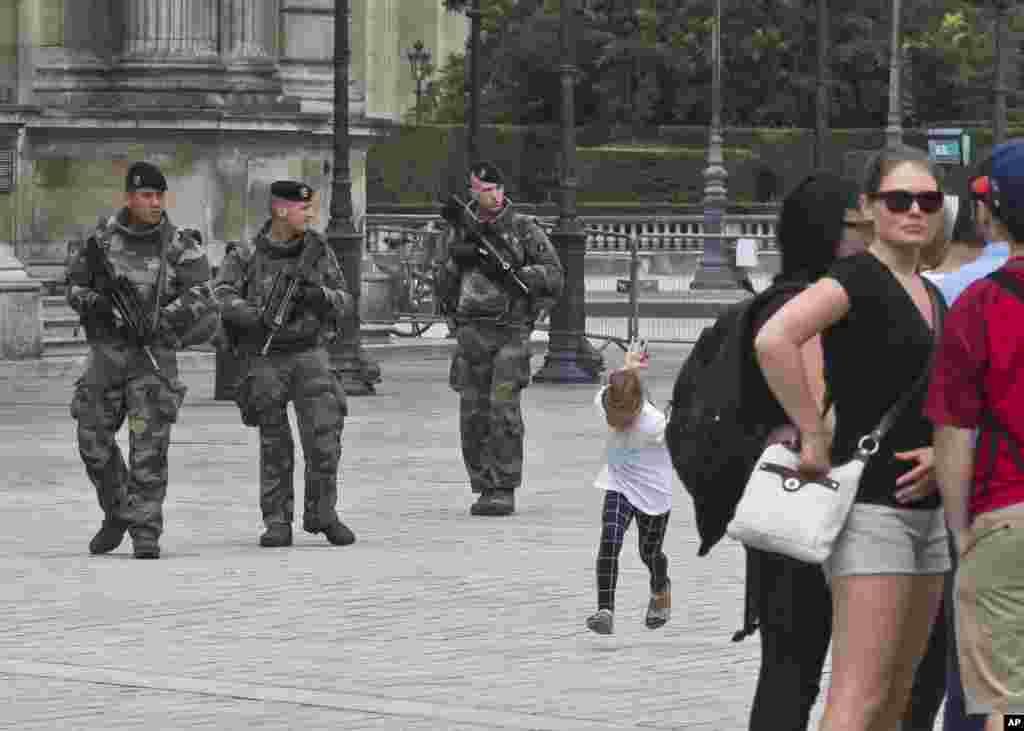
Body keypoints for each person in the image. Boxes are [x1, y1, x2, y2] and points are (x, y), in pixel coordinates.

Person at [754, 146, 951, 731]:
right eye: (899, 200)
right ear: (868, 208)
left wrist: (945, 452)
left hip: (929, 515)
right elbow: (775, 339)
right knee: (858, 695)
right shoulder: (856, 278)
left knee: (901, 690)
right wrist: (811, 433)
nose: (914, 211)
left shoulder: (930, 292)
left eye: (928, 201)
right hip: (872, 512)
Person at [65, 161, 216, 559]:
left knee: (148, 447)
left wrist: (163, 318)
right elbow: (74, 285)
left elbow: (204, 294)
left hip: (152, 357)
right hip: (107, 354)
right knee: (91, 439)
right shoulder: (101, 239)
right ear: (129, 197)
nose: (153, 203)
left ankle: (146, 531)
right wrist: (97, 306)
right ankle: (118, 511)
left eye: (158, 196)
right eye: (146, 196)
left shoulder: (180, 243)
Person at [926, 145, 1022, 731]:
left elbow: (954, 432)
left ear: (989, 214)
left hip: (1005, 517)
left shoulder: (978, 304)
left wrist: (961, 530)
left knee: (1004, 701)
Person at [214, 180, 356, 548]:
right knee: (274, 443)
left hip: (310, 354)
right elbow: (222, 296)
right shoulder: (246, 253)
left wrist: (318, 296)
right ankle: (277, 520)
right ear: (280, 210)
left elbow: (345, 299)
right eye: (303, 209)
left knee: (325, 438)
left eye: (312, 208)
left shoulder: (318, 250)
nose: (310, 215)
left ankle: (322, 513)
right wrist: (254, 316)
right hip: (266, 355)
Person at [435, 161, 564, 516]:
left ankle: (504, 485)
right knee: (472, 414)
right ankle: (483, 484)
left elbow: (554, 275)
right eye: (481, 190)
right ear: (472, 191)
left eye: (493, 190)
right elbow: (440, 284)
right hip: (471, 333)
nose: (488, 196)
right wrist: (455, 264)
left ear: (502, 190)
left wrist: (517, 274)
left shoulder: (523, 229)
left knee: (502, 410)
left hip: (510, 331)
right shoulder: (458, 230)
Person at [586, 342, 673, 635]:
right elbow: (622, 382)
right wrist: (630, 365)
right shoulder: (604, 400)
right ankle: (604, 610)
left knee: (650, 553)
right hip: (618, 482)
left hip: (653, 492)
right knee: (610, 537)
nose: (618, 423)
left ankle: (660, 588)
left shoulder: (655, 424)